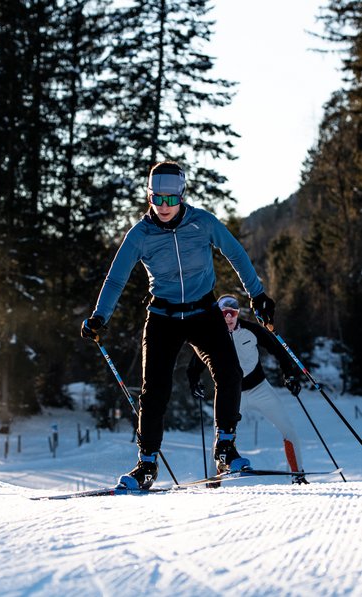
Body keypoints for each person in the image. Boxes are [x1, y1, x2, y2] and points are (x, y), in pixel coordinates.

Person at [81, 160, 275, 489]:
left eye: (171, 199)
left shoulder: (203, 223)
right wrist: (101, 316)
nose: (164, 206)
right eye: (157, 198)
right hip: (163, 317)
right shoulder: (139, 235)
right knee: (154, 391)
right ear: (149, 197)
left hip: (203, 312)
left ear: (182, 196)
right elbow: (116, 279)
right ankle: (146, 465)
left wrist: (258, 295)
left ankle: (226, 449)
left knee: (229, 373)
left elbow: (237, 254)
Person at [187, 294, 308, 484]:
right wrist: (195, 382)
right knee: (221, 437)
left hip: (260, 388)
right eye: (224, 313)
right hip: (233, 395)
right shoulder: (212, 336)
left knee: (288, 429)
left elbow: (278, 349)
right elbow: (195, 365)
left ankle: (298, 476)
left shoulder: (251, 330)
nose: (228, 318)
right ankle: (213, 482)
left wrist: (289, 375)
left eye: (232, 313)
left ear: (237, 314)